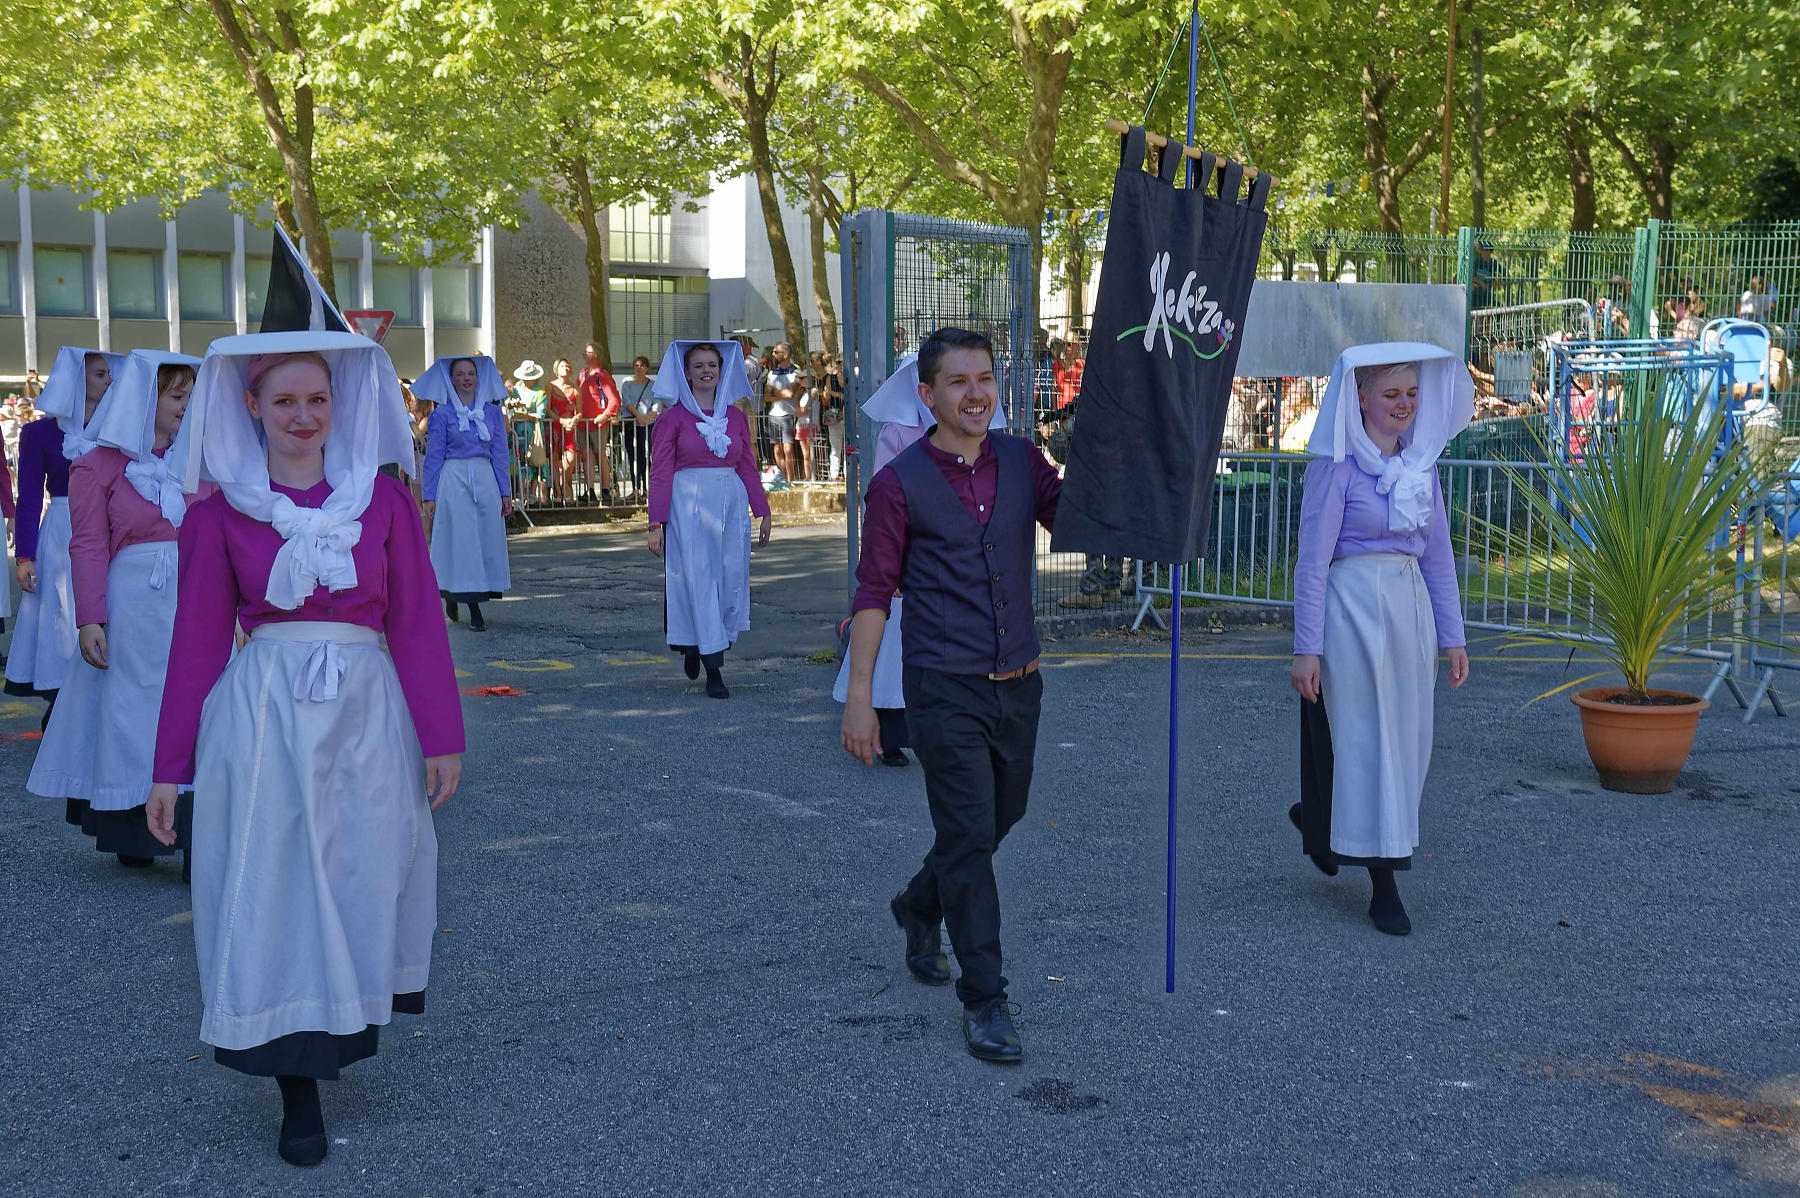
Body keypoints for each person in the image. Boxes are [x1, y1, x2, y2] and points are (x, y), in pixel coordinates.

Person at [146, 329, 463, 1169]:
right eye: (283, 400)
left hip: (365, 711)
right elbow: (197, 644)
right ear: (251, 406)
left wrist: (443, 735)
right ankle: (297, 1086)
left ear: (340, 405)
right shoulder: (219, 515)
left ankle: (342, 1016)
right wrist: (168, 768)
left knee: (358, 870)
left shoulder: (383, 501)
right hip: (267, 721)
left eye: (317, 399)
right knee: (279, 881)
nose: (303, 415)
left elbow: (419, 623)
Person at [840, 327, 1062, 1065]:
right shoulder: (898, 484)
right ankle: (987, 1000)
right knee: (969, 839)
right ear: (926, 394)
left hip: (1019, 685)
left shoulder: (1021, 459)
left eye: (986, 378)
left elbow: (1081, 516)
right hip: (943, 688)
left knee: (1000, 819)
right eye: (958, 382)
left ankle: (919, 903)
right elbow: (874, 595)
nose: (976, 393)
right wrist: (862, 699)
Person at [1289, 343, 1473, 937]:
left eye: (1412, 394)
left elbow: (1439, 556)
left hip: (1407, 611)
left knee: (1408, 740)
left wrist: (1455, 637)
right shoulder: (1337, 466)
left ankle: (1322, 825)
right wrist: (1306, 647)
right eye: (1391, 393)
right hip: (1351, 614)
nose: (1404, 405)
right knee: (1369, 742)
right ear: (1361, 397)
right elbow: (1313, 562)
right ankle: (1384, 882)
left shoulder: (1422, 465)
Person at [28, 350, 204, 870]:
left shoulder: (199, 461)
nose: (186, 405)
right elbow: (87, 545)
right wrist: (89, 618)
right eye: (176, 396)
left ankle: (195, 830)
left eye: (190, 395)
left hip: (194, 601)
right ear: (147, 400)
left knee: (197, 706)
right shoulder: (97, 463)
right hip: (131, 608)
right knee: (130, 712)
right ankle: (132, 829)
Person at [647, 340, 771, 699]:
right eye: (698, 365)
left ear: (722, 371)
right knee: (699, 579)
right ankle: (713, 667)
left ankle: (696, 645)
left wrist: (762, 510)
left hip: (730, 503)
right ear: (686, 373)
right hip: (688, 505)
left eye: (712, 365)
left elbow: (747, 464)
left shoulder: (734, 417)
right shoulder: (671, 419)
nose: (706, 370)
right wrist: (655, 524)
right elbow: (660, 473)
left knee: (730, 578)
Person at [6, 347, 122, 725]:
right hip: (61, 529)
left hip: (110, 527)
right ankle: (59, 702)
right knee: (61, 613)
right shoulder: (37, 432)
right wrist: (25, 555)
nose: (109, 381)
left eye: (108, 374)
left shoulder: (116, 427)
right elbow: (28, 497)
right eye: (100, 374)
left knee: (108, 608)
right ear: (76, 379)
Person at [415, 354, 513, 631]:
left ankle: (462, 594)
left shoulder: (492, 413)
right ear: (450, 378)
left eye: (470, 373)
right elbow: (434, 456)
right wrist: (429, 496)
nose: (465, 378)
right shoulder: (442, 415)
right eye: (459, 374)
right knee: (462, 540)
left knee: (483, 539)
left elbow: (500, 455)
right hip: (454, 479)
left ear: (478, 377)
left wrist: (505, 492)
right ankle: (472, 606)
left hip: (484, 480)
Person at [577, 343, 620, 503]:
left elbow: (615, 400)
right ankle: (590, 491)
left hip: (598, 424)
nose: (584, 355)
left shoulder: (602, 375)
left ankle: (605, 489)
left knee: (600, 455)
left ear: (596, 355)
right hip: (582, 423)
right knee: (587, 456)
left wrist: (605, 415)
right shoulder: (582, 373)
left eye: (588, 352)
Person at [506, 363, 551, 507]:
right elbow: (509, 402)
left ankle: (532, 493)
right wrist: (511, 404)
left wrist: (524, 415)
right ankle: (520, 491)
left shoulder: (540, 392)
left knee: (534, 460)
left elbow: (540, 414)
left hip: (533, 431)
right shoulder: (518, 388)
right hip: (517, 430)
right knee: (519, 460)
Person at [617, 354, 661, 498]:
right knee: (633, 456)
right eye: (636, 365)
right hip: (632, 424)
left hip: (647, 425)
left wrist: (646, 418)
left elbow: (656, 407)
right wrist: (639, 416)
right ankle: (636, 488)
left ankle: (647, 488)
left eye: (642, 365)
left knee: (646, 456)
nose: (639, 368)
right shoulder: (627, 384)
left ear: (647, 367)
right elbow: (627, 402)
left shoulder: (653, 385)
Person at [546, 357, 580, 501]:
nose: (565, 369)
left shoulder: (575, 388)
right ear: (556, 370)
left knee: (570, 458)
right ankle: (559, 492)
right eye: (561, 366)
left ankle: (565, 484)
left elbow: (580, 411)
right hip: (554, 425)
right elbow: (547, 409)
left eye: (567, 366)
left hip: (569, 427)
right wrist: (560, 420)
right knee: (554, 458)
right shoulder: (550, 386)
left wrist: (574, 419)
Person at [820, 353, 847, 482]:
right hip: (835, 416)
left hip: (850, 417)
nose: (841, 365)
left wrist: (835, 394)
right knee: (835, 448)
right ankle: (834, 475)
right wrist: (839, 395)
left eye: (843, 362)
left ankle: (849, 476)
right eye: (839, 362)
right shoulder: (831, 378)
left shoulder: (854, 376)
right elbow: (828, 394)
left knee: (850, 448)